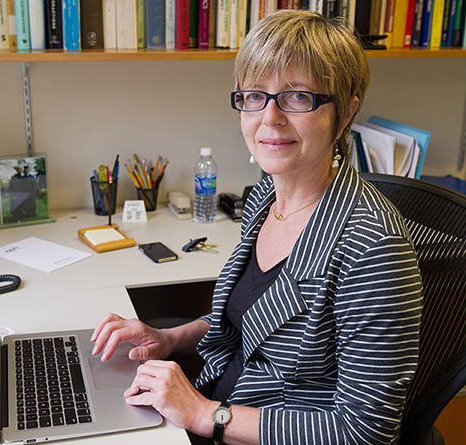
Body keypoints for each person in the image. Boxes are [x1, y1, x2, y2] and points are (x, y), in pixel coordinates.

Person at [91, 10, 422, 445]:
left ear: (345, 112)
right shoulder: (267, 198)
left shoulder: (374, 247)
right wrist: (168, 338)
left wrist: (205, 413)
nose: (269, 118)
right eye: (253, 96)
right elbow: (250, 322)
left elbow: (366, 430)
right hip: (212, 404)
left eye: (297, 97)